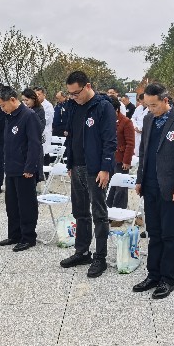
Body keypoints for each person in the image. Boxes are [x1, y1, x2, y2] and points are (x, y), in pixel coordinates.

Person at [132, 82, 174, 299]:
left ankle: (167, 279)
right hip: (149, 184)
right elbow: (143, 151)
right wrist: (140, 179)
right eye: (147, 106)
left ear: (165, 101)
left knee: (168, 234)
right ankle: (153, 274)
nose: (150, 109)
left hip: (170, 186)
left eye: (154, 105)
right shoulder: (148, 119)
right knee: (153, 232)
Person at [60, 71, 117, 278]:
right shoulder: (73, 106)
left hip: (96, 169)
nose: (73, 97)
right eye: (70, 94)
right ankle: (82, 251)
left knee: (99, 214)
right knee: (80, 211)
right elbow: (71, 137)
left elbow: (110, 140)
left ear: (88, 86)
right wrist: (70, 162)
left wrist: (105, 168)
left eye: (76, 93)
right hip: (77, 166)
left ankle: (100, 257)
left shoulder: (103, 106)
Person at [0, 86, 43, 252]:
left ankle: (28, 237)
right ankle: (15, 234)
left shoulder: (29, 116)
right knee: (12, 204)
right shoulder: (9, 116)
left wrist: (30, 167)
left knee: (26, 204)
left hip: (24, 169)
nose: (2, 109)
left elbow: (35, 144)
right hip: (11, 166)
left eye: (3, 105)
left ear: (12, 100)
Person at [107, 95, 135, 210]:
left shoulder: (126, 122)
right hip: (110, 158)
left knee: (121, 187)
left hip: (121, 159)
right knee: (110, 185)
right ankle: (109, 209)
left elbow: (130, 144)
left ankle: (120, 210)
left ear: (116, 110)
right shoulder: (107, 121)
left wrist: (126, 161)